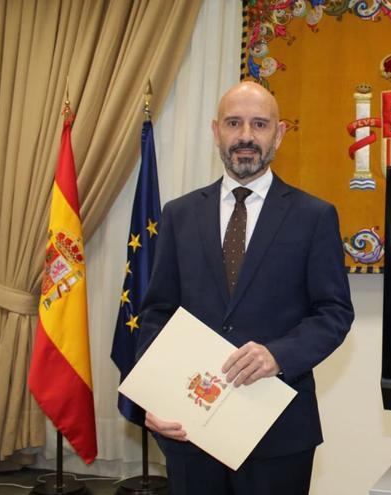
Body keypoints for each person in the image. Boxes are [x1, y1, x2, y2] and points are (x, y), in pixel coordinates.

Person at [135, 81, 354, 494]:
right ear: (216, 131)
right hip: (190, 427)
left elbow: (334, 313)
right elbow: (157, 313)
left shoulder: (315, 216)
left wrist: (278, 355)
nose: (246, 136)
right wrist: (154, 395)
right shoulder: (179, 215)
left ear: (280, 132)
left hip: (277, 433)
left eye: (259, 124)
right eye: (234, 123)